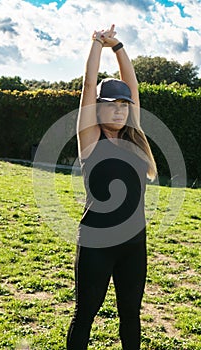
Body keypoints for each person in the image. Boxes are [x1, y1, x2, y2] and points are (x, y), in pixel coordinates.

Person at [66, 24, 157, 350]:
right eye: (110, 103)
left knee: (130, 315)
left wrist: (118, 46)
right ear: (98, 108)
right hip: (96, 243)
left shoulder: (135, 139)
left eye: (123, 104)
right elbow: (89, 85)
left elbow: (132, 88)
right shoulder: (90, 141)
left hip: (135, 243)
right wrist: (96, 44)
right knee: (86, 313)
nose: (119, 109)